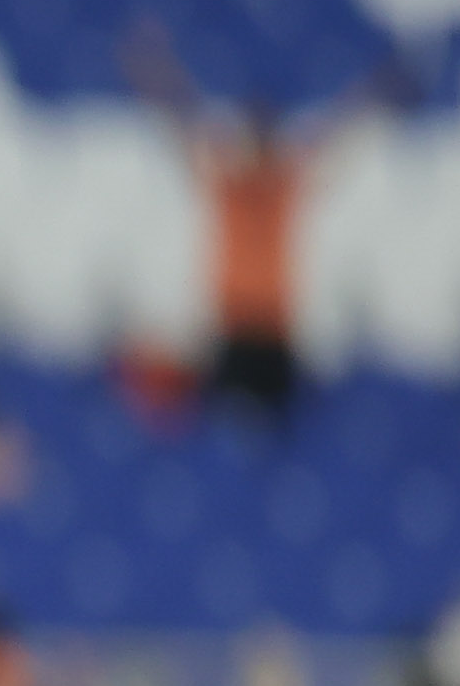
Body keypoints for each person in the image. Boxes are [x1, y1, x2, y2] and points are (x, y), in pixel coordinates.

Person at [127, 40, 376, 427]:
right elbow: (183, 122)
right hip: (245, 328)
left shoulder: (276, 184)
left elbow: (339, 132)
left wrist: (377, 91)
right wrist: (152, 70)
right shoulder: (237, 184)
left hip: (263, 331)